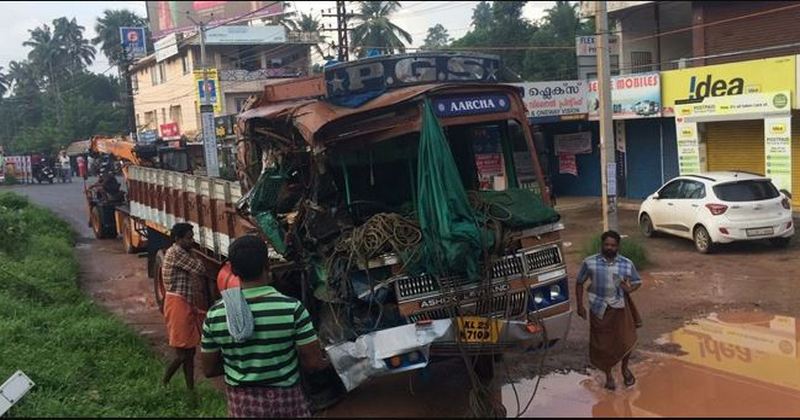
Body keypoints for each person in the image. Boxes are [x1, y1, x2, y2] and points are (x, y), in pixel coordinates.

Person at [201, 235, 328, 418]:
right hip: (288, 405)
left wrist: (244, 369)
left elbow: (209, 369)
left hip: (242, 407)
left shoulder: (216, 314)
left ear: (233, 271)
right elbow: (313, 363)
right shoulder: (293, 309)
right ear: (267, 266)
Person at [575, 230, 643, 391]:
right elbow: (579, 283)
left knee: (626, 339)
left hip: (619, 306)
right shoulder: (589, 262)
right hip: (598, 308)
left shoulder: (626, 263)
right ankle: (609, 376)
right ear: (602, 245)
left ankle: (624, 368)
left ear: (618, 246)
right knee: (603, 345)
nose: (609, 248)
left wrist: (629, 289)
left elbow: (637, 281)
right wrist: (579, 306)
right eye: (607, 245)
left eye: (613, 245)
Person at [161, 223, 207, 392]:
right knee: (182, 354)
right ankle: (164, 382)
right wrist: (194, 253)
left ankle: (190, 389)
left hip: (182, 303)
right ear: (177, 239)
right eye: (188, 238)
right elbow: (200, 268)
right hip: (177, 304)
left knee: (190, 353)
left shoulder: (178, 251)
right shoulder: (177, 253)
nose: (192, 241)